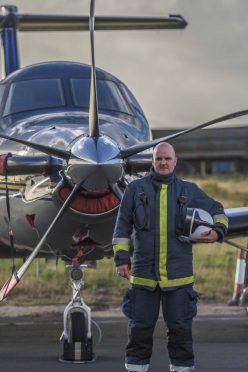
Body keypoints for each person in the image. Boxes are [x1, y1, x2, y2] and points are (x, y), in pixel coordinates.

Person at [112, 142, 228, 372]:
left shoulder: (190, 190)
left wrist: (218, 231)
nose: (163, 163)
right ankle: (136, 368)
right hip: (143, 276)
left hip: (179, 279)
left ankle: (182, 368)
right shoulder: (135, 189)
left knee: (180, 329)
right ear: (152, 162)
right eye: (158, 159)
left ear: (175, 162)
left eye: (167, 159)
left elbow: (218, 210)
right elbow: (122, 226)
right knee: (139, 328)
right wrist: (121, 259)